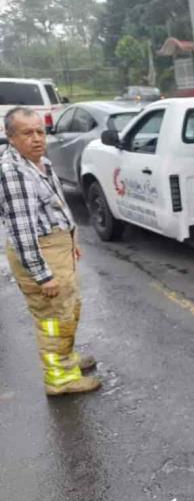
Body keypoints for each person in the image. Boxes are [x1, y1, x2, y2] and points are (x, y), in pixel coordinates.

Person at [0, 107, 100, 396]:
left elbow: (56, 207)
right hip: (41, 255)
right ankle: (60, 378)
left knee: (67, 311)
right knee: (53, 319)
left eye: (40, 131)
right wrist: (43, 276)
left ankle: (67, 361)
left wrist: (71, 243)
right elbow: (22, 231)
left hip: (56, 248)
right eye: (27, 133)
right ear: (10, 137)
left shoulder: (39, 163)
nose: (36, 138)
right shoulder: (14, 173)